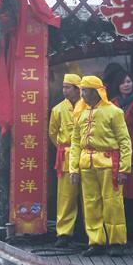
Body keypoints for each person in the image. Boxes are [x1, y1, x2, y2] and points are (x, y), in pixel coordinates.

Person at [68, 75, 132, 257]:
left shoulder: (114, 111)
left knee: (113, 203)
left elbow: (125, 141)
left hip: (108, 162)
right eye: (81, 90)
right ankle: (96, 241)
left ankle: (117, 242)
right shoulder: (80, 112)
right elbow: (75, 142)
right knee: (90, 204)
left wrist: (124, 169)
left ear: (96, 91)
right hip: (86, 163)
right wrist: (73, 168)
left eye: (85, 90)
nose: (82, 94)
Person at [106, 66, 133, 236]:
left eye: (128, 81)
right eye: (122, 83)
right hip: (117, 150)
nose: (126, 85)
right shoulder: (112, 103)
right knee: (118, 190)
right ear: (117, 85)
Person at [48, 73, 83, 247]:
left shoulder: (88, 107)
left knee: (89, 195)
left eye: (68, 87)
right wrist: (64, 148)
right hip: (67, 156)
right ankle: (64, 233)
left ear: (78, 89)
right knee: (66, 196)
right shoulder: (58, 109)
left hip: (87, 156)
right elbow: (53, 133)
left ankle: (88, 232)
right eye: (63, 86)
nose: (64, 90)